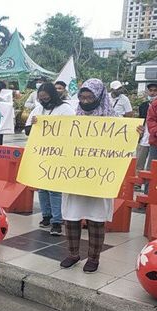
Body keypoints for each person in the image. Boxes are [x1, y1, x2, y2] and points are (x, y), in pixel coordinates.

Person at [60, 78, 115, 273]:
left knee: (96, 218)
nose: (85, 101)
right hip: (75, 176)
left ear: (99, 96)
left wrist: (136, 133)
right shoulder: (75, 117)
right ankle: (73, 253)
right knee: (72, 216)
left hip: (98, 177)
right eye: (82, 97)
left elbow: (120, 146)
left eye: (89, 97)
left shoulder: (112, 121)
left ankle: (94, 257)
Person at [25, 83, 76, 236]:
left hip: (58, 154)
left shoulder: (65, 109)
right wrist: (34, 125)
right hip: (41, 153)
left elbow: (72, 130)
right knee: (42, 187)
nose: (43, 102)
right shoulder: (38, 109)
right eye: (41, 99)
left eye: (46, 99)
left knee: (54, 189)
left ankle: (57, 221)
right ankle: (46, 215)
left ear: (53, 96)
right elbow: (27, 130)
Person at [136, 83, 157, 180]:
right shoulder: (143, 106)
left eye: (155, 90)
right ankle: (137, 182)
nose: (153, 93)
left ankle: (148, 185)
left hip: (154, 139)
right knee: (139, 161)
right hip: (144, 137)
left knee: (151, 165)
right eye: (151, 90)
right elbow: (141, 121)